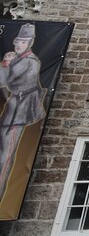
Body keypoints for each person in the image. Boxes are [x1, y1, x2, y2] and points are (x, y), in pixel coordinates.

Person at [0, 23, 45, 202]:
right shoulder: (18, 60)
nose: (18, 45)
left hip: (20, 111)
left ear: (30, 43)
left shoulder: (30, 62)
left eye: (23, 42)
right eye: (17, 41)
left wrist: (6, 64)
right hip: (11, 108)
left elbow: (7, 80)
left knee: (6, 155)